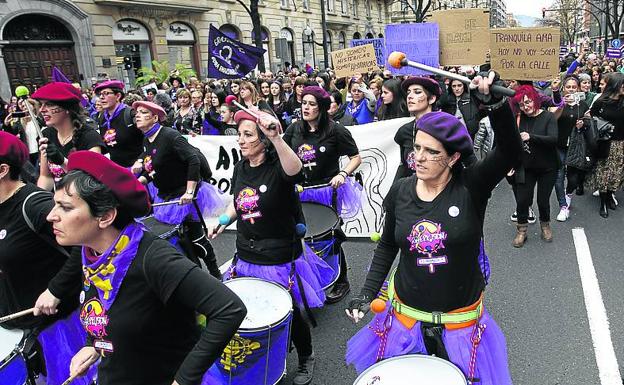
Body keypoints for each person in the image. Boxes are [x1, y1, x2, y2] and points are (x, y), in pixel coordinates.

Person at [345, 72, 520, 385]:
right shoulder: (400, 190)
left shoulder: (471, 187)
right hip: (405, 321)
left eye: (431, 152)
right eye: (417, 148)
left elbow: (510, 152)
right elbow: (387, 245)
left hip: (460, 325)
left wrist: (497, 107)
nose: (419, 158)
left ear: (453, 157)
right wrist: (366, 292)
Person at [47, 150, 246, 385]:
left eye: (66, 207)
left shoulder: (154, 258)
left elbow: (229, 309)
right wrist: (93, 346)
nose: (51, 216)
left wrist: (184, 379)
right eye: (55, 205)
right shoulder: (94, 254)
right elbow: (110, 311)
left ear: (105, 216)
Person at [208, 109, 334, 385]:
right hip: (247, 251)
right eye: (239, 135)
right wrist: (224, 219)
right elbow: (238, 200)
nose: (240, 140)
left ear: (263, 140)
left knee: (291, 309)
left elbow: (296, 169)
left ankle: (305, 356)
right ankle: (266, 357)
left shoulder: (279, 167)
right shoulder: (241, 167)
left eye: (248, 135)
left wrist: (277, 137)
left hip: (279, 256)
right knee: (253, 310)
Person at [0, 131, 94, 385]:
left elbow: (84, 243)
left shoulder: (34, 204)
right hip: (16, 324)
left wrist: (56, 289)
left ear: (3, 170)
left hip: (56, 326)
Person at [283, 86, 363, 304]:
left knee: (328, 237)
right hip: (300, 192)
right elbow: (280, 155)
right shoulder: (293, 130)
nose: (306, 108)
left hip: (327, 191)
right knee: (304, 238)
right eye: (304, 103)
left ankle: (341, 280)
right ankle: (314, 280)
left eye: (312, 104)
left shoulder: (336, 131)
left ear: (322, 108)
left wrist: (343, 173)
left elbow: (356, 157)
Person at [130, 101, 225, 278]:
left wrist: (189, 191)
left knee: (196, 239)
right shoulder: (146, 140)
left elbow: (193, 160)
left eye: (143, 112)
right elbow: (155, 167)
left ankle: (216, 273)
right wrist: (138, 179)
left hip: (185, 194)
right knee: (177, 241)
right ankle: (192, 275)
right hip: (165, 196)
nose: (137, 115)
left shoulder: (170, 136)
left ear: (155, 117)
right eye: (136, 113)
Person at [507, 85, 558, 246]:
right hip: (526, 167)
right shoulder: (518, 118)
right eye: (521, 105)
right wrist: (509, 163)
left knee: (543, 200)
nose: (525, 107)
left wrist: (531, 137)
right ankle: (522, 231)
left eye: (528, 102)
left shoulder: (548, 117)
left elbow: (553, 139)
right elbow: (511, 144)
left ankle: (545, 225)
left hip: (547, 167)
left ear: (535, 100)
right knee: (523, 200)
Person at [33, 82, 106, 191]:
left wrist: (62, 161)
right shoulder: (46, 135)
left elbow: (91, 177)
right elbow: (45, 177)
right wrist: (40, 199)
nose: (41, 110)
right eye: (41, 104)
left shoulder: (90, 137)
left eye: (49, 104)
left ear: (67, 108)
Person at [585, 72, 624, 218]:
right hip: (604, 143)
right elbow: (591, 118)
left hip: (620, 144)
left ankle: (609, 196)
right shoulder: (601, 101)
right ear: (615, 85)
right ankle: (603, 203)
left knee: (616, 174)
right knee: (603, 174)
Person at [553, 76, 590, 220]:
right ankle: (563, 206)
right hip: (559, 146)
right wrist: (561, 105)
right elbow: (552, 119)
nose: (571, 89)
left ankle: (568, 193)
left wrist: (583, 123)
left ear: (578, 88)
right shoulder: (557, 103)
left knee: (574, 178)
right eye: (568, 87)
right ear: (563, 89)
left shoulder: (583, 105)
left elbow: (589, 122)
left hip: (576, 147)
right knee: (559, 177)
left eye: (574, 87)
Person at [393, 76, 442, 182]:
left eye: (417, 92)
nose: (410, 96)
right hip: (413, 192)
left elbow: (469, 162)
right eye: (408, 92)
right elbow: (403, 166)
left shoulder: (446, 127)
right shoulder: (404, 131)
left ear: (432, 98)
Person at [93, 80, 143, 168]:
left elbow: (149, 141)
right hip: (115, 171)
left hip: (136, 171)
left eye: (106, 93)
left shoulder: (131, 115)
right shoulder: (102, 118)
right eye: (100, 94)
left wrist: (140, 161)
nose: (101, 97)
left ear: (118, 96)